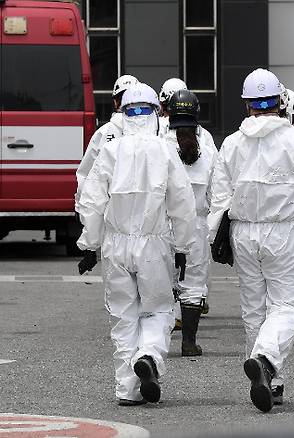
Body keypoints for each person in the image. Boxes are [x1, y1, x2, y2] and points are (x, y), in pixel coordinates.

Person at [208, 68, 294, 412]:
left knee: (254, 309)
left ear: (247, 105)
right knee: (289, 305)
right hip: (285, 233)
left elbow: (219, 198)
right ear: (280, 102)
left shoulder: (232, 144)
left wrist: (215, 239)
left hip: (244, 233)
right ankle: (265, 361)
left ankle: (271, 381)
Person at [76, 83, 196, 406]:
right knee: (158, 309)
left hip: (116, 246)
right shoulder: (164, 151)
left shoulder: (111, 150)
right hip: (154, 245)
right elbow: (183, 204)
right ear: (155, 113)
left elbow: (91, 200)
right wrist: (183, 246)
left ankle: (126, 389)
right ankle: (148, 356)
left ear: (124, 114)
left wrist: (90, 243)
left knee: (123, 318)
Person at [164, 89, 217, 357]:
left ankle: (156, 342)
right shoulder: (206, 151)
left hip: (162, 226)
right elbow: (217, 195)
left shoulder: (158, 146)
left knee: (162, 282)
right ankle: (189, 342)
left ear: (168, 113)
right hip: (197, 226)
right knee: (193, 284)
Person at [76, 74, 139, 210]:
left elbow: (86, 173)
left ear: (116, 102)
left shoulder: (103, 133)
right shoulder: (153, 133)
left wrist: (80, 205)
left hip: (109, 212)